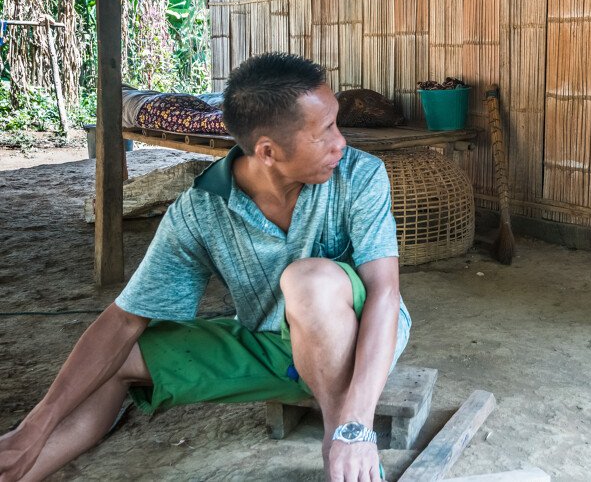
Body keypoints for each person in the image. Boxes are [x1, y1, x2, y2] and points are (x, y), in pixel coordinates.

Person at [0, 52, 410, 481]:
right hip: (268, 347)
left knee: (309, 280)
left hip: (357, 348)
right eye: (324, 131)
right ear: (268, 151)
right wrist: (34, 427)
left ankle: (340, 442)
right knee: (110, 361)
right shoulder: (201, 209)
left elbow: (384, 292)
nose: (341, 142)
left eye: (336, 124)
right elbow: (124, 320)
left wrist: (354, 427)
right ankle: (17, 469)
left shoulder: (359, 175)